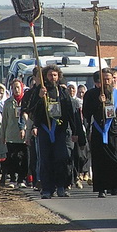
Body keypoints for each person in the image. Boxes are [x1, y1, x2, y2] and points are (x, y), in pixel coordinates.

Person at [27, 65, 78, 199]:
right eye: (50, 75)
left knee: (60, 158)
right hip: (44, 129)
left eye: (55, 75)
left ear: (59, 76)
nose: (52, 78)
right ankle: (47, 189)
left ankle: (61, 186)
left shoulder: (62, 91)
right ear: (45, 76)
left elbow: (69, 111)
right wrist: (39, 97)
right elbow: (30, 109)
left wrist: (74, 131)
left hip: (59, 130)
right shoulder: (39, 90)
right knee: (45, 160)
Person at [83, 68, 117, 198]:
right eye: (103, 80)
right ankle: (101, 188)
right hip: (98, 131)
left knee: (116, 160)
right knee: (100, 162)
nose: (106, 82)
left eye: (108, 79)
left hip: (114, 131)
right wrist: (98, 102)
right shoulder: (91, 94)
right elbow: (86, 114)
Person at [1, 79, 28, 188]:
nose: (16, 90)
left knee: (23, 157)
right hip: (11, 135)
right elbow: (4, 121)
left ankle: (21, 179)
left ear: (21, 88)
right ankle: (12, 179)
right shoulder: (8, 103)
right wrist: (3, 136)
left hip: (23, 135)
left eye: (18, 87)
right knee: (12, 158)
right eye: (14, 88)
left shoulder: (26, 101)